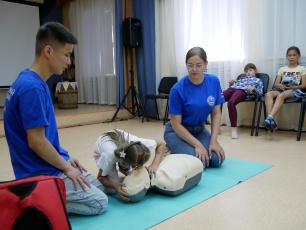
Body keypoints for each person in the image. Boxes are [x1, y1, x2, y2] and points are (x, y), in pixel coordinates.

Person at [3, 22, 108, 215]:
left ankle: (48, 193)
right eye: (67, 55)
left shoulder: (31, 81)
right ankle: (33, 200)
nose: (69, 62)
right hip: (38, 173)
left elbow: (43, 138)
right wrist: (66, 167)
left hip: (48, 164)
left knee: (98, 188)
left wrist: (64, 156)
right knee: (100, 203)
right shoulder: (32, 88)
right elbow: (36, 142)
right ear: (49, 51)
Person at [164, 46, 225, 168]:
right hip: (177, 132)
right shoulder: (177, 89)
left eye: (199, 65)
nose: (194, 69)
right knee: (200, 162)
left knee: (216, 160)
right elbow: (176, 124)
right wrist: (198, 145)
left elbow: (216, 113)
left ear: (206, 64)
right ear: (186, 65)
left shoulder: (214, 81)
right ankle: (172, 149)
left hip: (199, 130)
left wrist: (213, 142)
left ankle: (186, 149)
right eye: (190, 65)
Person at [93, 129, 165, 201]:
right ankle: (123, 166)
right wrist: (114, 185)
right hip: (102, 146)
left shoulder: (140, 146)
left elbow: (162, 144)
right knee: (111, 191)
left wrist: (154, 164)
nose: (135, 168)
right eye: (135, 166)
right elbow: (101, 178)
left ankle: (123, 167)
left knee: (127, 166)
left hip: (119, 144)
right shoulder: (109, 157)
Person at [262, 46, 306, 131]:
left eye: (294, 55)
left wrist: (295, 87)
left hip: (294, 89)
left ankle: (269, 118)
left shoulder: (302, 68)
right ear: (287, 57)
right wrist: (283, 86)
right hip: (282, 88)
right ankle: (270, 120)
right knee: (268, 94)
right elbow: (276, 83)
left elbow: (304, 85)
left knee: (281, 96)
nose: (292, 57)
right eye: (289, 55)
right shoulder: (282, 69)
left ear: (299, 56)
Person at [222, 63, 264, 139]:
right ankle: (216, 126)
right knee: (218, 99)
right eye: (246, 71)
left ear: (255, 71)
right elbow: (232, 88)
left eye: (250, 70)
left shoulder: (258, 80)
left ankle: (234, 129)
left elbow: (260, 93)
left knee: (231, 103)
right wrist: (231, 84)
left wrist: (254, 89)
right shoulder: (241, 79)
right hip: (232, 89)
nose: (248, 72)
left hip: (242, 90)